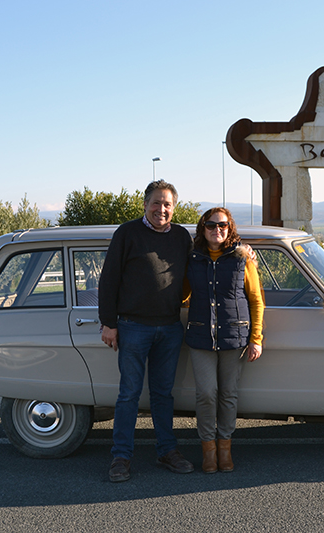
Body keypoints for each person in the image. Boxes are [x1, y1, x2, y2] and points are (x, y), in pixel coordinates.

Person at [98, 180, 194, 483]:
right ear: (145, 204)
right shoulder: (127, 233)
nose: (161, 209)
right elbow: (109, 279)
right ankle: (121, 457)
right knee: (128, 395)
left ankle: (167, 450)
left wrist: (242, 252)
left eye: (167, 204)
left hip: (169, 327)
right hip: (132, 327)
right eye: (156, 203)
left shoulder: (181, 237)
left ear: (174, 207)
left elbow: (202, 265)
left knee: (163, 395)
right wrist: (108, 323)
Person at [185, 207, 264, 473]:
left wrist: (256, 338)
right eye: (210, 225)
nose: (217, 230)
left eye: (223, 226)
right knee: (206, 394)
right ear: (202, 229)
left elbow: (256, 300)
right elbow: (182, 295)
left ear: (230, 229)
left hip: (235, 336)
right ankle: (208, 450)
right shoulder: (192, 259)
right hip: (200, 336)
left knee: (229, 395)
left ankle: (225, 448)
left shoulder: (243, 258)